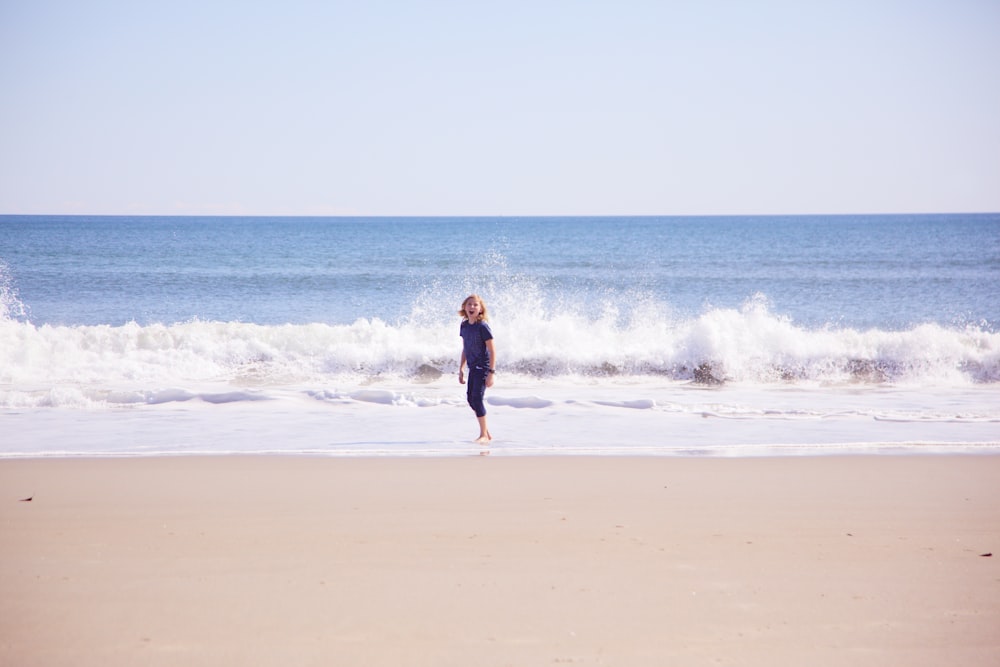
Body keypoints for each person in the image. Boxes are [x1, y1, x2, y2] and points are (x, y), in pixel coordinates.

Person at [458, 294, 496, 444]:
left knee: (477, 398)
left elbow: (492, 351)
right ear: (464, 307)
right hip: (472, 367)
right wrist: (461, 368)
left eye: (475, 305)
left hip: (483, 367)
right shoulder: (464, 326)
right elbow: (465, 348)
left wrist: (491, 373)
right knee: (470, 399)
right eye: (469, 304)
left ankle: (483, 435)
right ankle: (486, 432)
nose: (472, 307)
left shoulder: (483, 327)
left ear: (480, 309)